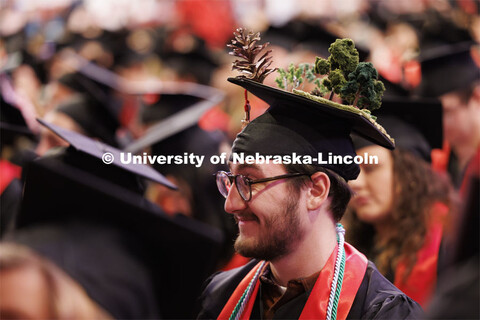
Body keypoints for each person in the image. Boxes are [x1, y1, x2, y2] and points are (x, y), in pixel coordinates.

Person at [196, 42, 423, 318]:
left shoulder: (381, 312)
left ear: (316, 190)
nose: (230, 205)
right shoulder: (222, 295)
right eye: (230, 181)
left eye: (249, 182)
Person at [345, 97, 457, 307]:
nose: (355, 183)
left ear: (409, 173)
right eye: (353, 171)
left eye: (371, 169)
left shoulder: (450, 239)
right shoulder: (354, 248)